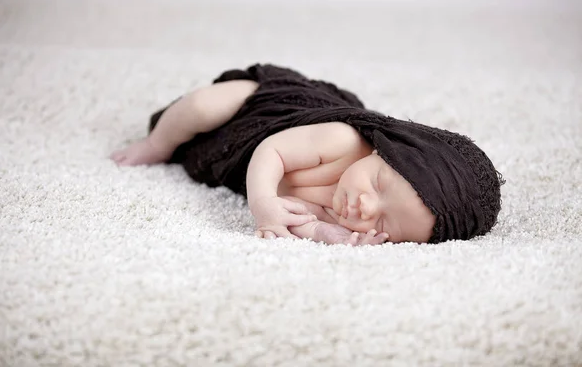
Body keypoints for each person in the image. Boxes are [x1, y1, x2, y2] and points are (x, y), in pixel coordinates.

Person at [111, 64, 504, 246]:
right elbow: (271, 151)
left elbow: (303, 218)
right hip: (257, 112)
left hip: (244, 157)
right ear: (384, 151)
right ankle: (156, 144)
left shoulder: (354, 221)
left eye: (386, 223)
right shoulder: (342, 141)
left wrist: (324, 233)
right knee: (200, 107)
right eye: (380, 184)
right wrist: (264, 203)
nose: (365, 208)